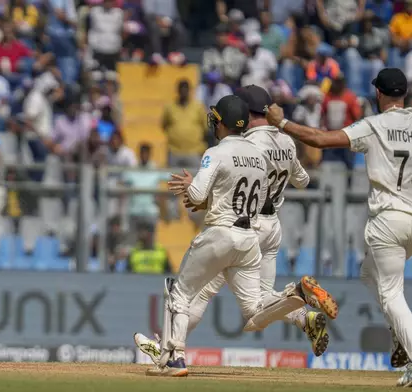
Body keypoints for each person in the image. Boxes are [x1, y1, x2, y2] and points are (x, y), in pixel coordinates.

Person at [263, 67, 412, 387]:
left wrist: (281, 122)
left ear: (378, 94)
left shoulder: (373, 126)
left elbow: (319, 140)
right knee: (368, 274)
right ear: (403, 94)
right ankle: (401, 338)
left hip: (388, 222)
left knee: (390, 293)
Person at [134, 86, 335, 365]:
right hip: (268, 226)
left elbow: (218, 191)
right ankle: (301, 310)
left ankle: (169, 352)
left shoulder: (243, 146)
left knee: (195, 292)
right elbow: (302, 181)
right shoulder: (284, 143)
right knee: (256, 310)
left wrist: (198, 194)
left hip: (240, 226)